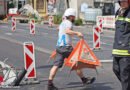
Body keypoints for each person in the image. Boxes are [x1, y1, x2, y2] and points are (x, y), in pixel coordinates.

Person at [47, 8, 96, 90]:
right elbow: (67, 31)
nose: (74, 18)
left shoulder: (63, 23)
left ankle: (49, 84)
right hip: (66, 48)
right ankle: (84, 80)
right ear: (71, 16)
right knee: (76, 63)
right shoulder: (69, 23)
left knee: (55, 65)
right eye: (73, 17)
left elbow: (58, 28)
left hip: (59, 47)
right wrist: (77, 33)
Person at [113, 0, 130, 90]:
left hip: (126, 51)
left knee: (124, 74)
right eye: (121, 2)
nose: (122, 3)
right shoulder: (118, 13)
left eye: (124, 1)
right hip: (117, 49)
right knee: (115, 70)